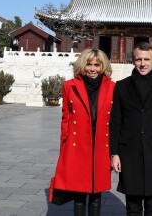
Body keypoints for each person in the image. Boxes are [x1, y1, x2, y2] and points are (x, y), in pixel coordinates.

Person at [110, 42, 152, 215]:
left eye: (146, 59)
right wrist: (114, 153)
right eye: (139, 59)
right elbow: (115, 122)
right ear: (133, 60)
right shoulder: (121, 86)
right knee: (132, 208)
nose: (143, 64)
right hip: (129, 152)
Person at [51, 48, 115, 216]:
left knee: (96, 192)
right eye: (88, 64)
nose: (92, 69)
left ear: (103, 66)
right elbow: (65, 119)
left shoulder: (113, 87)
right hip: (77, 145)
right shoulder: (69, 86)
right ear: (82, 65)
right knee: (79, 192)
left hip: (101, 146)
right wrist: (64, 147)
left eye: (97, 65)